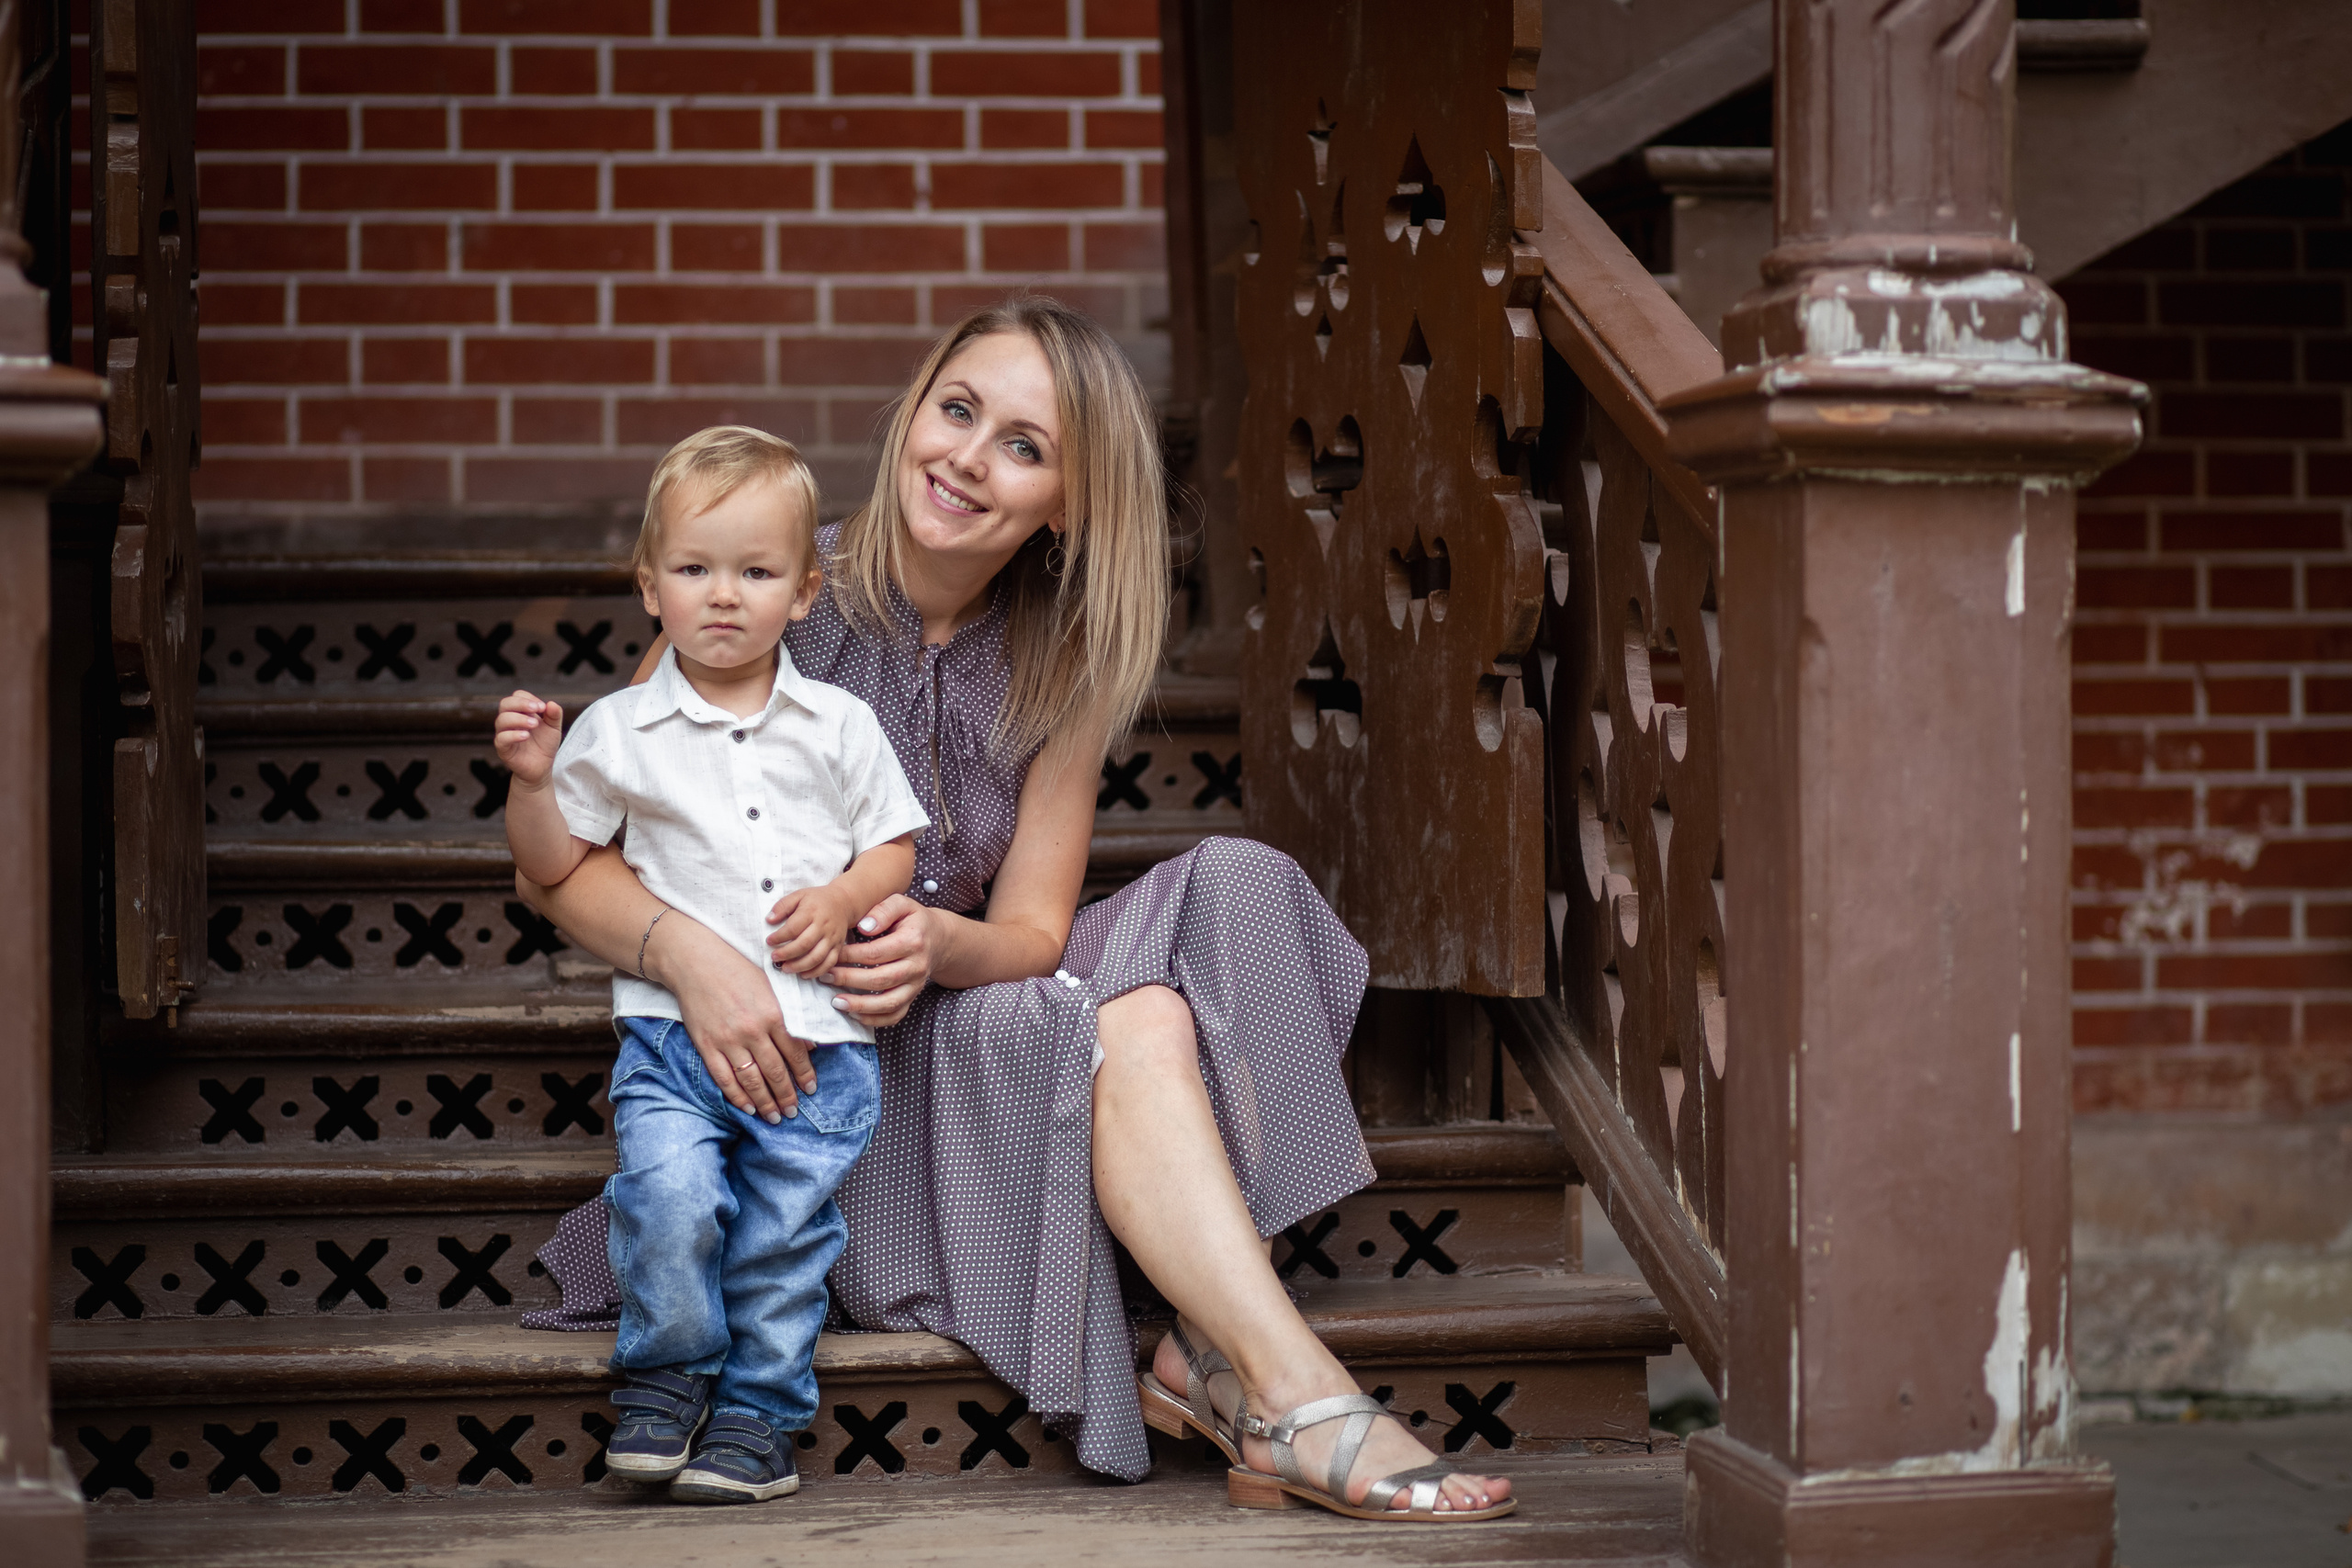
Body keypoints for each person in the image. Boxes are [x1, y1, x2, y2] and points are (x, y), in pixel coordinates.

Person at [518, 296, 1515, 1520]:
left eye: (1024, 446)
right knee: (1111, 1022)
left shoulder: (1064, 650)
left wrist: (937, 941)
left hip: (968, 1005)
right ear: (916, 406)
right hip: (814, 1075)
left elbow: (1035, 934)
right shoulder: (772, 587)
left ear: (1068, 500)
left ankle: (1249, 1368)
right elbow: (560, 865)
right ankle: (1286, 1390)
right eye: (958, 409)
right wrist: (695, 958)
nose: (967, 458)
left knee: (1220, 903)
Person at [496, 426, 930, 1505]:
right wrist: (533, 782)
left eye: (756, 571)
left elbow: (896, 847)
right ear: (650, 587)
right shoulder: (618, 731)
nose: (723, 596)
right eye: (693, 569)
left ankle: (757, 1419)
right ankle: (665, 1375)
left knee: (784, 1235)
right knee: (671, 1194)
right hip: (667, 1043)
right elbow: (552, 867)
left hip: (821, 1044)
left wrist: (841, 899)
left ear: (805, 593)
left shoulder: (840, 723)